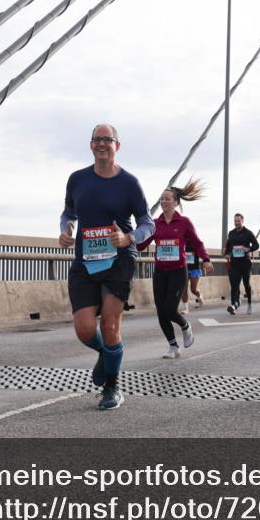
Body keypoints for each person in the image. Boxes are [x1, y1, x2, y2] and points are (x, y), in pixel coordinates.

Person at [59, 123, 154, 410]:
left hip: (118, 261)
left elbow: (147, 224)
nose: (102, 144)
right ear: (91, 145)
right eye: (97, 140)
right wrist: (66, 228)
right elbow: (67, 212)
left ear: (117, 146)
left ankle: (111, 387)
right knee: (84, 328)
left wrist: (128, 238)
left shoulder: (129, 183)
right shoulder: (77, 179)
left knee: (111, 325)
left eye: (107, 140)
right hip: (84, 262)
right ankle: (106, 354)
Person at [136, 180, 212, 358]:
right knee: (161, 311)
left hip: (178, 271)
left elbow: (197, 242)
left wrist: (206, 259)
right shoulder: (155, 224)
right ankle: (173, 346)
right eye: (161, 199)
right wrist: (130, 237)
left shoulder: (184, 222)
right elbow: (141, 246)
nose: (163, 202)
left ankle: (185, 326)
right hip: (160, 272)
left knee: (170, 309)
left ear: (176, 202)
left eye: (167, 199)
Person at [225, 213, 259, 315]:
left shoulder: (248, 233)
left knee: (246, 284)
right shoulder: (231, 233)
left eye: (238, 221)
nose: (236, 223)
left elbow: (256, 245)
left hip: (245, 263)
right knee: (234, 285)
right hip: (235, 263)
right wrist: (227, 254)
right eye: (235, 221)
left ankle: (249, 303)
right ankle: (233, 306)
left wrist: (248, 249)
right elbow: (228, 247)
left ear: (242, 221)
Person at [180, 242, 205, 314]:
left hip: (195, 269)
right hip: (184, 269)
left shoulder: (195, 242)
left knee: (193, 289)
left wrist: (205, 260)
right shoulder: (181, 242)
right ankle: (186, 308)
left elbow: (203, 253)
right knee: (184, 289)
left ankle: (200, 296)